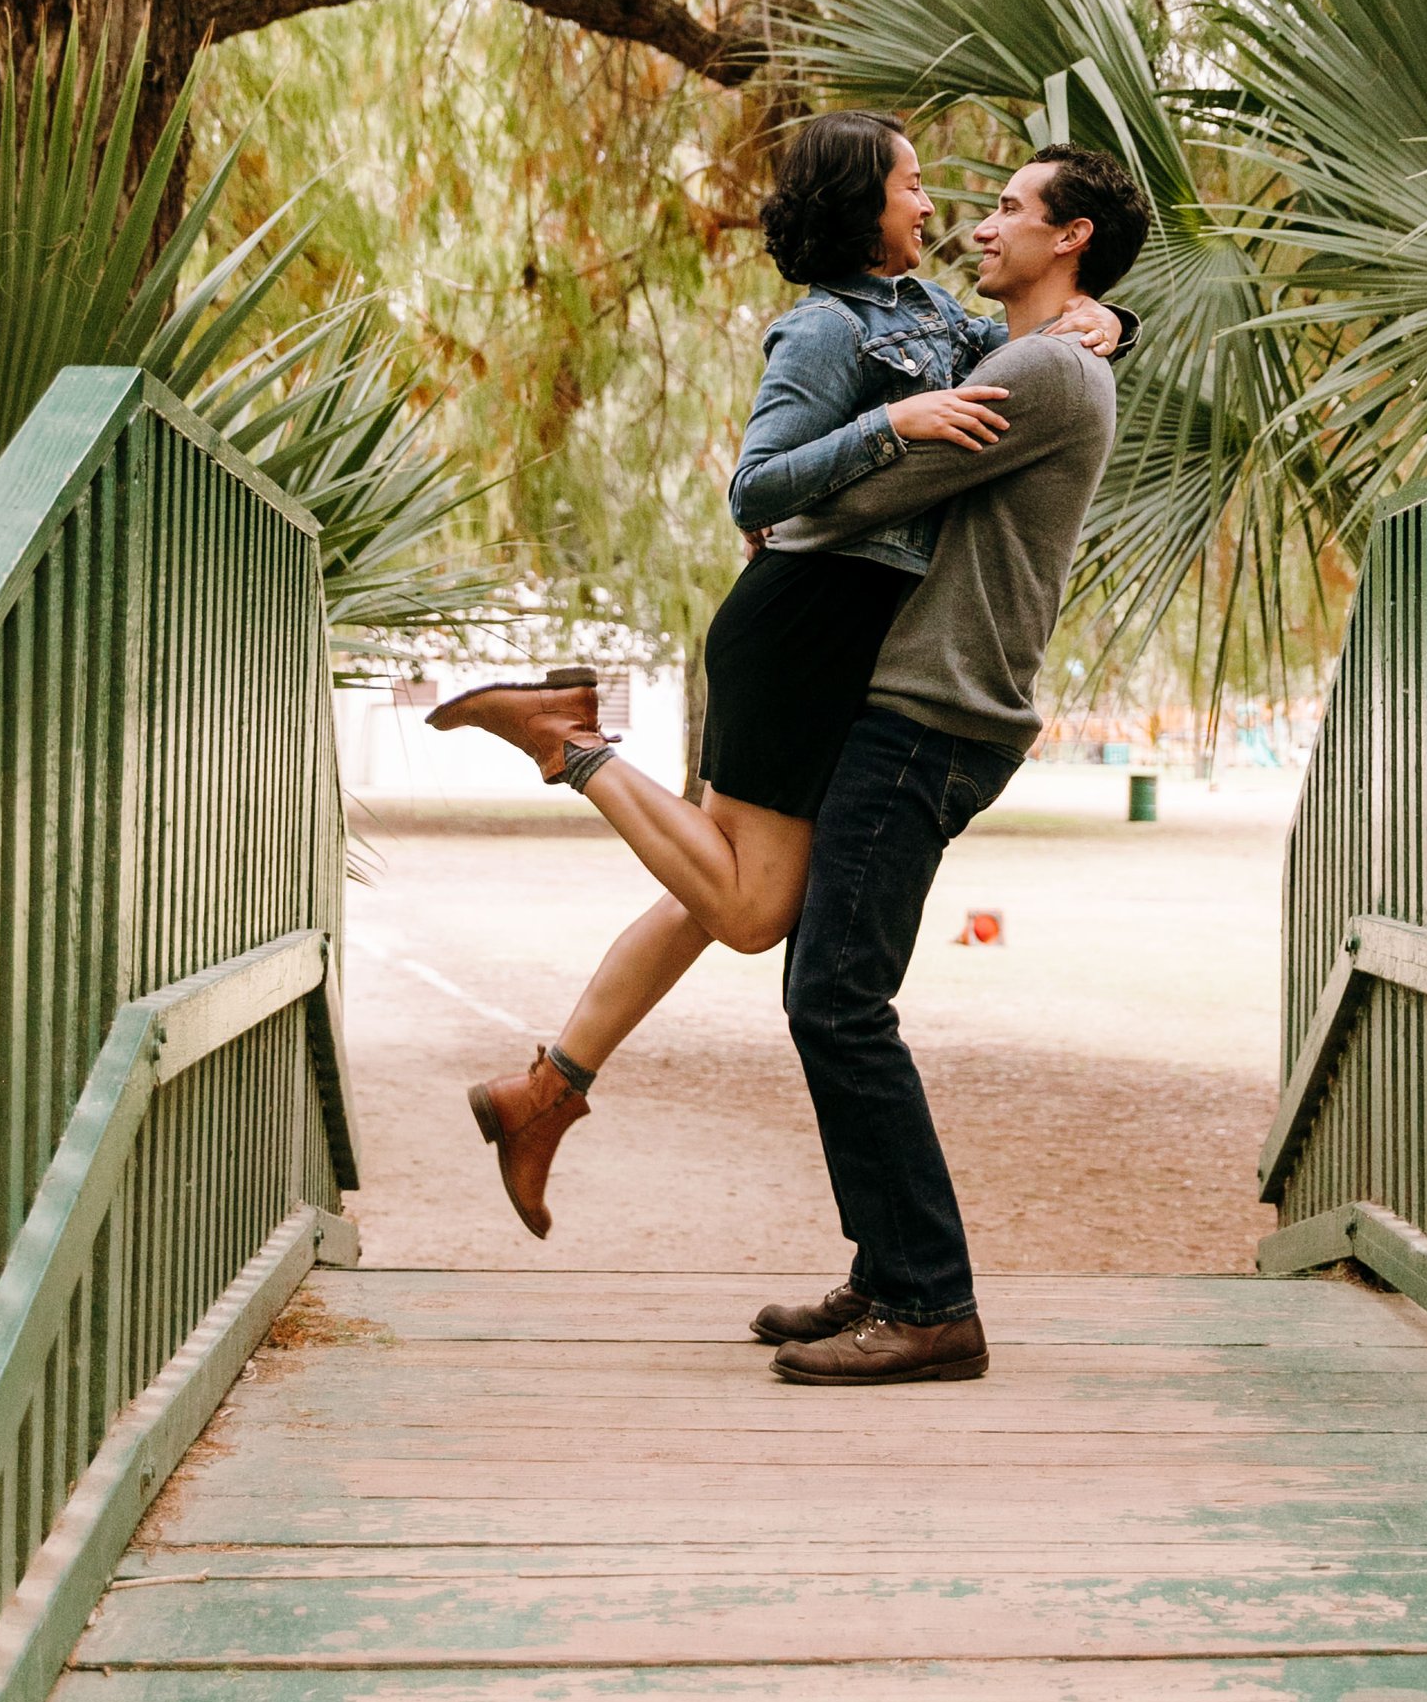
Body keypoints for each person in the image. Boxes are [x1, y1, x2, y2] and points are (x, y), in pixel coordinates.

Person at [430, 113, 1126, 1232]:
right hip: (807, 618)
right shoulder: (822, 329)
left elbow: (1040, 351)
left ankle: (547, 1092)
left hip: (847, 627)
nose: (941, 209)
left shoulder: (934, 311)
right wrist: (889, 428)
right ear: (864, 203)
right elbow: (758, 488)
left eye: (992, 205)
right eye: (913, 185)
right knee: (752, 911)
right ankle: (567, 739)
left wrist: (1105, 312)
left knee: (716, 893)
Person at [753, 139, 1152, 1386]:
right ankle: (887, 1272)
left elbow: (855, 500)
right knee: (833, 992)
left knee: (836, 1000)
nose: (982, 227)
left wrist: (797, 507)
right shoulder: (1041, 355)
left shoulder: (1038, 371)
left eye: (1009, 210)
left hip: (931, 712)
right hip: (936, 709)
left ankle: (929, 1303)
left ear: (1068, 239)